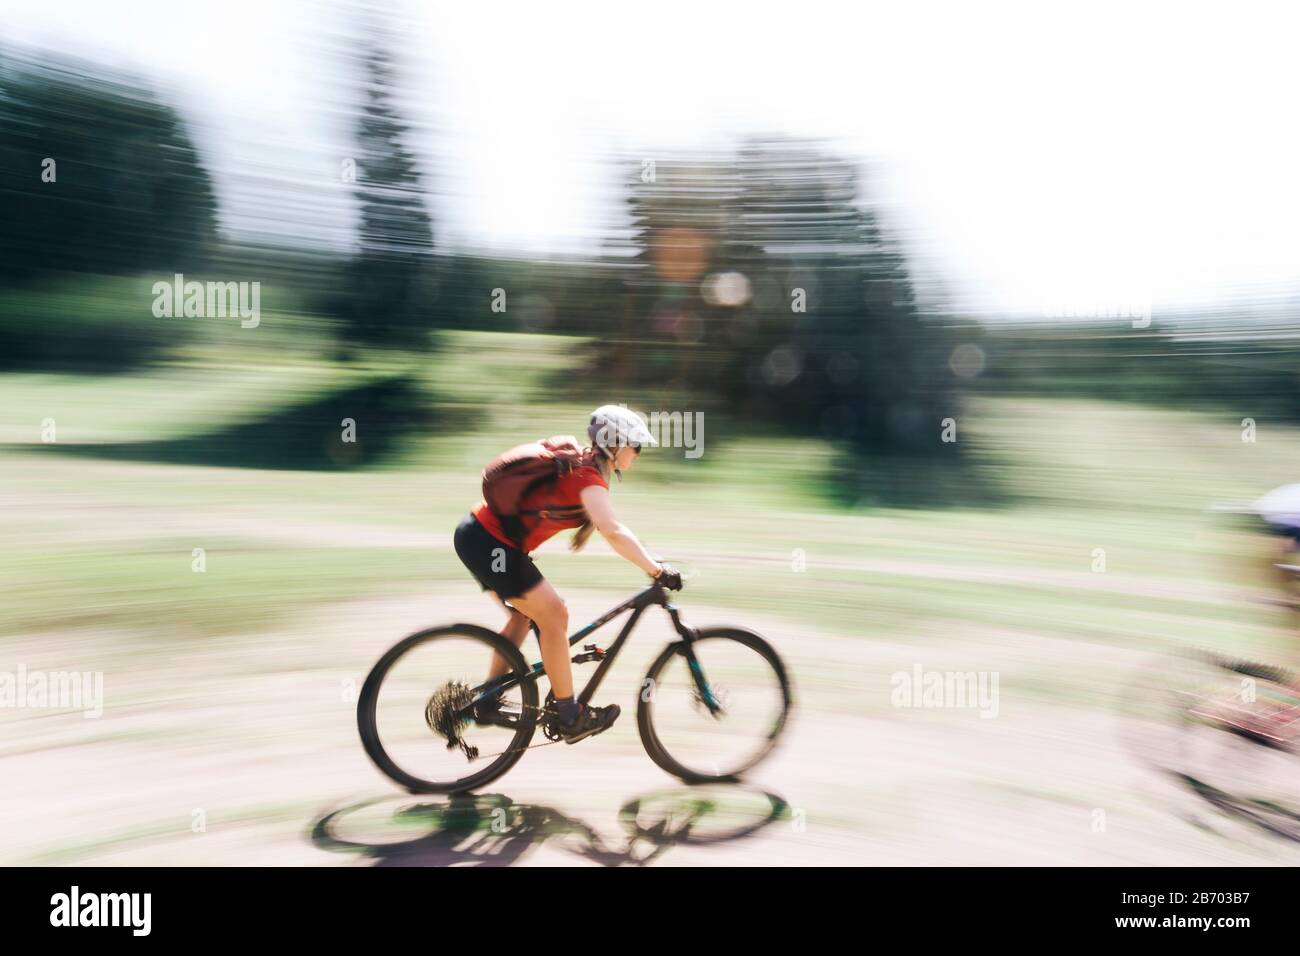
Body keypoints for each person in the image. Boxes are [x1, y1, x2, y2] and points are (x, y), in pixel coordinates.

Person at [452, 405, 682, 744]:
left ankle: (487, 699)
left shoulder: (588, 471)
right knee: (555, 615)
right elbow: (613, 531)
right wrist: (657, 570)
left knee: (523, 618)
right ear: (616, 444)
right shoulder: (587, 476)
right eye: (636, 445)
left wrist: (649, 560)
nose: (638, 453)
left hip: (479, 537)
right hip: (490, 545)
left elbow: (611, 527)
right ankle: (570, 714)